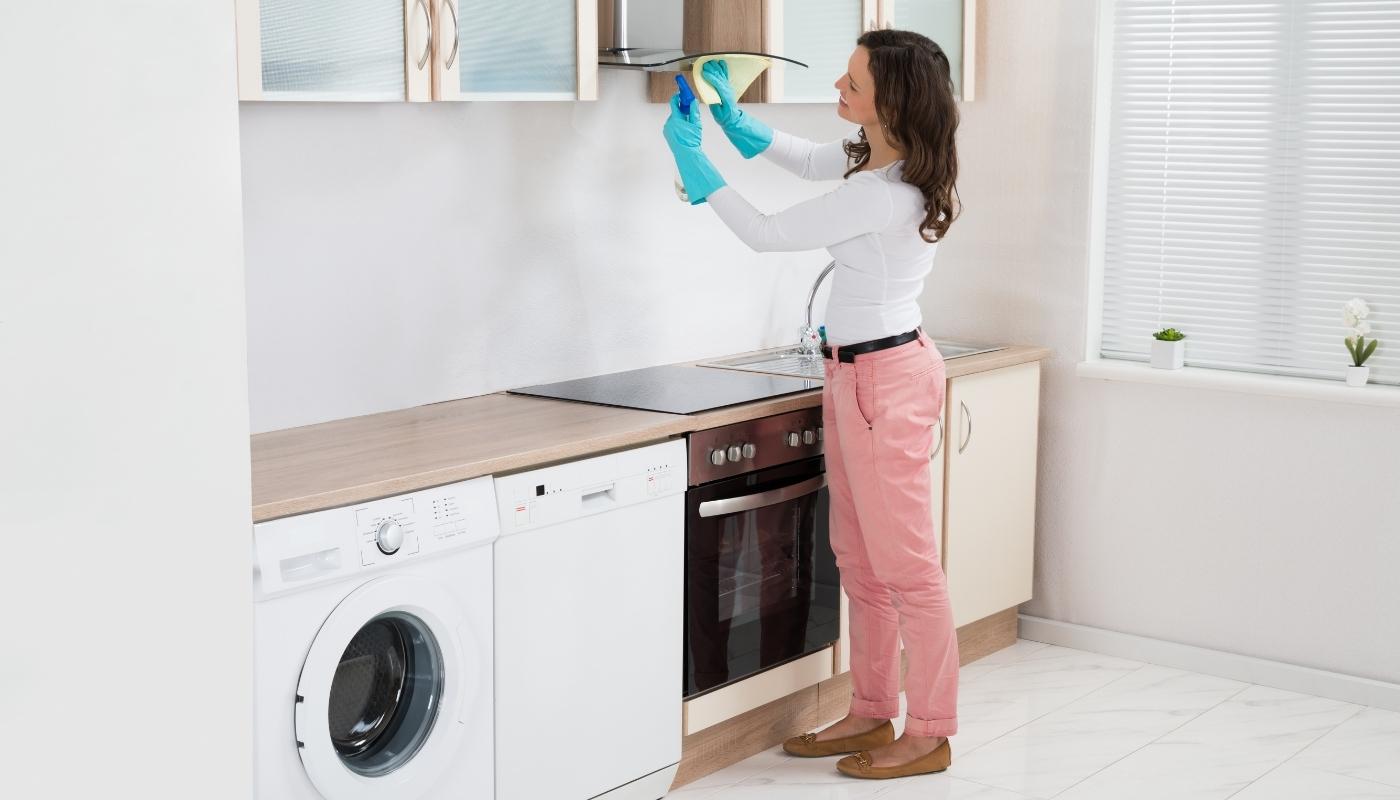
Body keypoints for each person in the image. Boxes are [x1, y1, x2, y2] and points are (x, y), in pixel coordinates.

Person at [661, 29, 962, 780]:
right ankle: (870, 709)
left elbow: (768, 234)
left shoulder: (882, 195)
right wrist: (738, 124)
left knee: (909, 570)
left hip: (882, 382)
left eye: (852, 81)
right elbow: (806, 159)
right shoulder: (881, 160)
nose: (838, 85)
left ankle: (929, 730)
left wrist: (697, 167)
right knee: (860, 561)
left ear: (889, 101)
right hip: (859, 377)